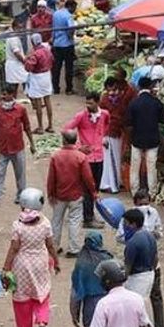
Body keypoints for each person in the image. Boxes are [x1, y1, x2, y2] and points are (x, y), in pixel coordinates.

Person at [2, 188, 60, 327]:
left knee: (22, 301)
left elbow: (14, 248)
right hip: (41, 263)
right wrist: (56, 261)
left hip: (22, 266)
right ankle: (41, 321)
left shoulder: (18, 226)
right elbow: (50, 245)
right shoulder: (45, 223)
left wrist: (6, 268)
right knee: (42, 295)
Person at [116, 190, 164, 327]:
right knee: (140, 305)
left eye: (146, 203)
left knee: (143, 303)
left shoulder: (153, 216)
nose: (144, 207)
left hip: (144, 271)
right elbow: (120, 237)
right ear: (135, 203)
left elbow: (129, 265)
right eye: (141, 204)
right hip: (147, 268)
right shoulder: (130, 221)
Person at [46, 131, 97, 258]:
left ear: (64, 141)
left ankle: (55, 246)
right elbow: (88, 178)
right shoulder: (80, 157)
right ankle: (74, 248)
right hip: (76, 195)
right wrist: (93, 192)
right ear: (75, 141)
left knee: (56, 221)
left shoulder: (55, 156)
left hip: (59, 195)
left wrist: (50, 193)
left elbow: (51, 178)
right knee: (74, 221)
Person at [63, 93, 109, 229]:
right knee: (88, 188)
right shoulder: (80, 116)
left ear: (97, 102)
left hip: (99, 157)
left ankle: (89, 214)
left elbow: (107, 126)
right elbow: (66, 129)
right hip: (85, 159)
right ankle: (88, 218)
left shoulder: (105, 114)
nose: (88, 106)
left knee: (95, 187)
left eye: (90, 103)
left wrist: (103, 138)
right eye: (86, 103)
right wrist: (78, 147)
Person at [0, 87, 35, 208]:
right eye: (2, 94)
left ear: (12, 94)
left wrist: (32, 144)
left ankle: (21, 197)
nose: (2, 96)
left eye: (5, 94)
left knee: (20, 174)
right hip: (3, 148)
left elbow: (27, 127)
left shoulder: (21, 109)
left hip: (17, 147)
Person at [122, 209, 159, 327]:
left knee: (134, 311)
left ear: (133, 224)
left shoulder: (132, 242)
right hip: (149, 274)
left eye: (126, 223)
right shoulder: (150, 236)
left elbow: (127, 267)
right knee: (140, 307)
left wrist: (120, 281)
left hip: (137, 278)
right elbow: (155, 259)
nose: (125, 226)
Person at [127, 77, 164, 197]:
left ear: (139, 87)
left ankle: (135, 191)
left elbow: (128, 123)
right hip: (152, 139)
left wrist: (130, 139)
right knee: (151, 167)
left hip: (137, 139)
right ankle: (152, 193)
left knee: (135, 167)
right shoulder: (156, 102)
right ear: (150, 87)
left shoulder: (134, 103)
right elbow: (163, 120)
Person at [70, 231, 113, 327]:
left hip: (90, 305)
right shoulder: (108, 259)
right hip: (108, 302)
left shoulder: (81, 263)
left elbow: (75, 292)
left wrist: (74, 314)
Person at [99, 76, 135, 193]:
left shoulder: (119, 99)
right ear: (106, 89)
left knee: (115, 158)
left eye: (115, 89)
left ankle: (113, 182)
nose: (112, 92)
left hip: (117, 132)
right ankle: (111, 185)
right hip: (109, 133)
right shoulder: (105, 100)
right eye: (110, 90)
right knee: (111, 159)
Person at [24, 34, 54, 134]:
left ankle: (40, 127)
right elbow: (53, 61)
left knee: (38, 102)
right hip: (47, 76)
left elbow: (29, 67)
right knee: (47, 99)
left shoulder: (35, 54)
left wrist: (27, 59)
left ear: (32, 42)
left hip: (37, 78)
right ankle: (50, 125)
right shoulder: (47, 50)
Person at [51, 0, 77, 95]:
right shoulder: (69, 16)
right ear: (71, 6)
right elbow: (71, 28)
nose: (75, 10)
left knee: (56, 68)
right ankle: (69, 89)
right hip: (67, 45)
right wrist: (70, 37)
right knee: (69, 68)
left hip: (57, 44)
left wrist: (53, 39)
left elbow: (53, 28)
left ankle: (56, 88)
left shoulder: (56, 14)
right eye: (74, 8)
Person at [4, 19, 28, 97]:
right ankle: (34, 102)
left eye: (22, 28)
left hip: (15, 64)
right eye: (19, 28)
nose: (21, 30)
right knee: (23, 82)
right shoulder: (13, 38)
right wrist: (24, 61)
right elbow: (17, 53)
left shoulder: (14, 36)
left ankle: (13, 100)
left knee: (16, 84)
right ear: (14, 27)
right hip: (14, 64)